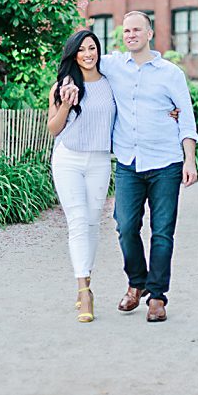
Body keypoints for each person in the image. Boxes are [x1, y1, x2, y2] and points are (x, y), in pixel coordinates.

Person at [97, 11, 198, 323]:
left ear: (149, 33)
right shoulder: (112, 65)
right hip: (128, 161)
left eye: (137, 30)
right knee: (125, 226)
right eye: (126, 31)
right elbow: (81, 60)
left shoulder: (170, 73)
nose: (131, 35)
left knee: (162, 232)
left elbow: (185, 116)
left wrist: (189, 159)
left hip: (166, 162)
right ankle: (136, 282)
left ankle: (156, 296)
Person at [47, 30, 116, 323]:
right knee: (77, 222)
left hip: (100, 159)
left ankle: (85, 280)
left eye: (92, 48)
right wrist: (66, 103)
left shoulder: (111, 84)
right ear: (73, 54)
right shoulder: (63, 86)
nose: (88, 54)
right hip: (69, 159)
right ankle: (84, 290)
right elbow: (53, 129)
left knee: (91, 222)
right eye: (82, 50)